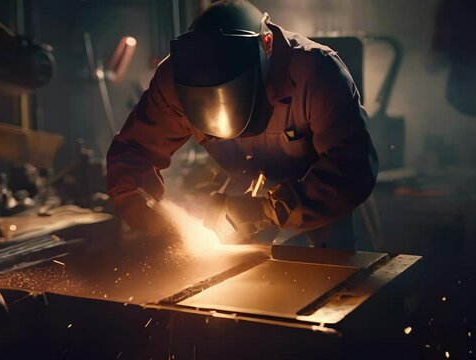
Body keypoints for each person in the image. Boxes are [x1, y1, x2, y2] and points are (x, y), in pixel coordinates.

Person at [106, 0, 377, 250]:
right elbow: (133, 151)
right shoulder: (174, 78)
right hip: (242, 195)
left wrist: (266, 210)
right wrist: (149, 213)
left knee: (329, 276)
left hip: (322, 202)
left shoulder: (317, 72)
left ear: (266, 44)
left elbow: (351, 167)